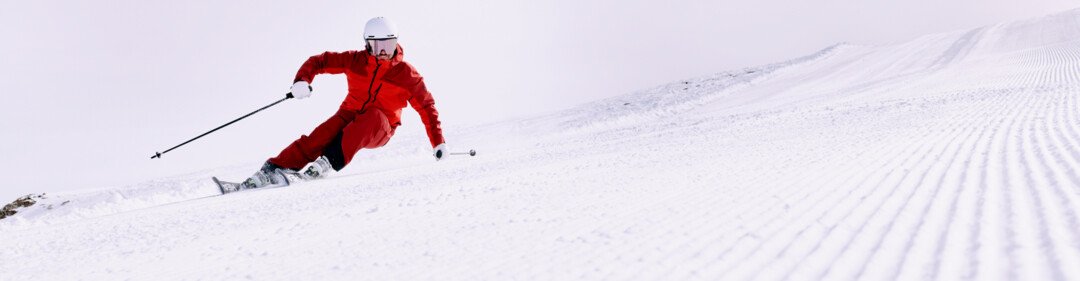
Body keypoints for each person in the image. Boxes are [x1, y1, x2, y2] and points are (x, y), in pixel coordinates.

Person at [240, 17, 446, 189]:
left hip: (380, 127)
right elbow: (320, 61)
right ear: (367, 44)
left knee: (373, 116)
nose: (384, 51)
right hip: (349, 114)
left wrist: (438, 142)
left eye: (389, 44)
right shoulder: (355, 61)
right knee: (320, 135)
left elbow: (427, 107)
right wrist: (302, 80)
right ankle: (274, 168)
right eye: (378, 45)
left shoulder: (407, 75)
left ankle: (327, 162)